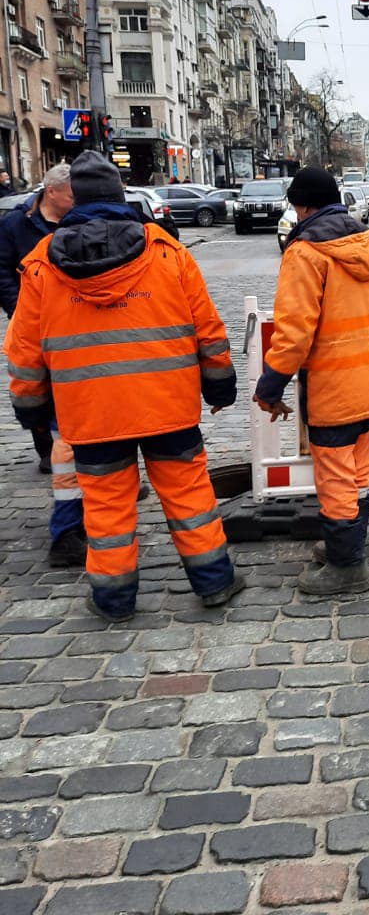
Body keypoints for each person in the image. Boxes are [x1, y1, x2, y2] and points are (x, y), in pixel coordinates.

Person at [5, 151, 244, 621]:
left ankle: (113, 600)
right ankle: (215, 582)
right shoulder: (165, 251)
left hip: (91, 414)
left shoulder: (41, 266)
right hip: (166, 406)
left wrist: (30, 410)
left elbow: (25, 353)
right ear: (121, 195)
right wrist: (219, 388)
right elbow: (208, 329)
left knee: (107, 508)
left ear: (74, 199)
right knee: (190, 496)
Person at [253, 167, 369, 598]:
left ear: (303, 206)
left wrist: (270, 386)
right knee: (356, 475)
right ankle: (345, 546)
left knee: (335, 481)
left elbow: (294, 333)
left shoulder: (305, 254)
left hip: (332, 390)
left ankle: (347, 567)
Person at [0, 163, 87, 566]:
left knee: (67, 439)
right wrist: (16, 302)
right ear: (52, 192)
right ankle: (70, 530)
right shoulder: (20, 230)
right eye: (71, 193)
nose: (76, 200)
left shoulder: (80, 225)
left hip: (75, 347)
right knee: (63, 439)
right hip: (45, 334)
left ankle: (78, 519)